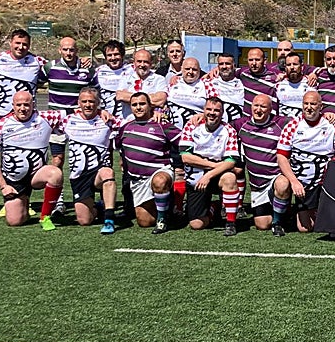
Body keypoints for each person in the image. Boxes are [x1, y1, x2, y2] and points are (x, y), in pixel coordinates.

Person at [0, 91, 65, 229]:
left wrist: (100, 112)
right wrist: (4, 186)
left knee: (55, 174)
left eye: (27, 105)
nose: (23, 108)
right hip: (14, 181)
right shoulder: (1, 125)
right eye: (19, 105)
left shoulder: (46, 117)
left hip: (37, 175)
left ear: (33, 104)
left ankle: (45, 217)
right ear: (13, 106)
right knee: (15, 221)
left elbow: (75, 113)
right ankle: (24, 202)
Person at [271, 90, 335, 235]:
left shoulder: (332, 125)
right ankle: (278, 222)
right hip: (299, 177)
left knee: (307, 227)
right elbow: (281, 157)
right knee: (282, 183)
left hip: (322, 180)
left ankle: (315, 211)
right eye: (305, 104)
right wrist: (294, 181)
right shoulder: (292, 126)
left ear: (321, 106)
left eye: (313, 104)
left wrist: (332, 172)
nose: (309, 107)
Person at [60, 87, 122, 233]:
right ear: (78, 103)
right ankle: (98, 208)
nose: (88, 105)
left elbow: (130, 122)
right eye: (84, 101)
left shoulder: (107, 120)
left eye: (92, 101)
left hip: (99, 173)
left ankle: (109, 219)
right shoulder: (68, 120)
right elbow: (40, 117)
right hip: (79, 176)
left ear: (98, 103)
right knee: (84, 220)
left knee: (107, 173)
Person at [117, 91, 181, 232]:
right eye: (134, 105)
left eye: (142, 104)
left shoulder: (162, 125)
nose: (138, 107)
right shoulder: (125, 128)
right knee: (144, 222)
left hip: (160, 172)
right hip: (138, 181)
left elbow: (184, 141)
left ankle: (162, 219)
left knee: (159, 181)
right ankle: (165, 205)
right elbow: (120, 148)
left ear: (150, 106)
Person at [45, 36, 93, 215]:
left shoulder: (87, 69)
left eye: (71, 49)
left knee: (80, 159)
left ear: (76, 50)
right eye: (65, 49)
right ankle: (58, 200)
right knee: (57, 160)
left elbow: (95, 92)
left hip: (78, 123)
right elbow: (33, 82)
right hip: (57, 123)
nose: (68, 53)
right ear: (59, 50)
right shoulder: (50, 67)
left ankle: (82, 197)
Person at [180, 96, 242, 236]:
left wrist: (208, 175)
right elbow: (185, 157)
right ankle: (214, 207)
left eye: (216, 110)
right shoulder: (192, 126)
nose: (212, 113)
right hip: (196, 176)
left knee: (230, 178)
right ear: (203, 110)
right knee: (197, 225)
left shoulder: (229, 130)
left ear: (222, 113)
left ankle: (231, 223)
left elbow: (231, 161)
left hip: (216, 175)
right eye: (209, 109)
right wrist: (212, 165)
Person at [232, 93, 287, 231]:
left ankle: (278, 222)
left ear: (270, 109)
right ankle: (279, 207)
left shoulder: (281, 123)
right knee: (262, 225)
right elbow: (220, 126)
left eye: (263, 107)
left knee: (282, 184)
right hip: (257, 185)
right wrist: (201, 117)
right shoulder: (242, 124)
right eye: (256, 106)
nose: (258, 110)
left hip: (276, 177)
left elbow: (303, 121)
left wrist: (327, 115)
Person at [0, 29, 47, 118]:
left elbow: (55, 70)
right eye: (17, 43)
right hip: (3, 114)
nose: (21, 47)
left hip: (29, 115)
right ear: (10, 43)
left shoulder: (38, 61)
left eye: (25, 44)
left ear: (29, 46)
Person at [165, 57, 209, 130]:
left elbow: (216, 106)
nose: (190, 72)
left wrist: (204, 115)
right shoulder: (174, 83)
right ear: (182, 69)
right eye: (187, 69)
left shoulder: (206, 85)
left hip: (196, 129)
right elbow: (163, 102)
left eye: (194, 69)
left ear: (199, 70)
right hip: (171, 129)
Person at [92, 39, 130, 119]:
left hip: (126, 118)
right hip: (104, 117)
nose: (113, 58)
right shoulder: (98, 71)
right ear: (105, 57)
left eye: (116, 54)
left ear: (122, 55)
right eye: (109, 55)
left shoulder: (132, 70)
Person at [206, 53, 246, 123]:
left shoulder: (243, 83)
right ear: (218, 66)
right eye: (221, 64)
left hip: (238, 125)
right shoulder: (209, 83)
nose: (224, 67)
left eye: (227, 63)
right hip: (216, 128)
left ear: (234, 66)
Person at [274, 51, 310, 118]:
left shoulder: (310, 83)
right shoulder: (278, 85)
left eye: (295, 64)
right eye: (288, 65)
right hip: (283, 125)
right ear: (285, 67)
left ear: (301, 66)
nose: (292, 67)